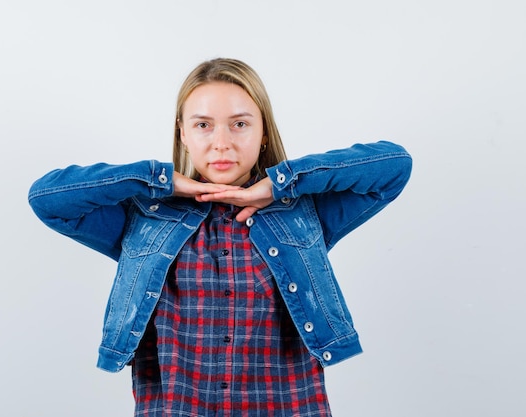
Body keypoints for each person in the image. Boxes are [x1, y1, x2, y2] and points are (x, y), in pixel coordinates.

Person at [28, 58, 412, 416]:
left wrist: (278, 185)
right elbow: (47, 198)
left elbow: (393, 166)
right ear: (182, 133)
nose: (221, 143)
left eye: (240, 124)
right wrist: (158, 179)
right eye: (203, 125)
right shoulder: (145, 218)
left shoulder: (302, 212)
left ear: (263, 133)